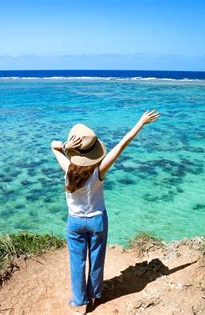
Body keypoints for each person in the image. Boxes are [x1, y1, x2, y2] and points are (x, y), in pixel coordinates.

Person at [50, 110, 160, 313]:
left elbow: (53, 145)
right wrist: (140, 122)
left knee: (77, 263)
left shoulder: (67, 169)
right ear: (93, 152)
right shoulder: (100, 170)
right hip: (97, 220)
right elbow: (122, 144)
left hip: (75, 222)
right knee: (96, 260)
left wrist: (66, 146)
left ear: (74, 153)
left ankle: (79, 301)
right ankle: (95, 296)